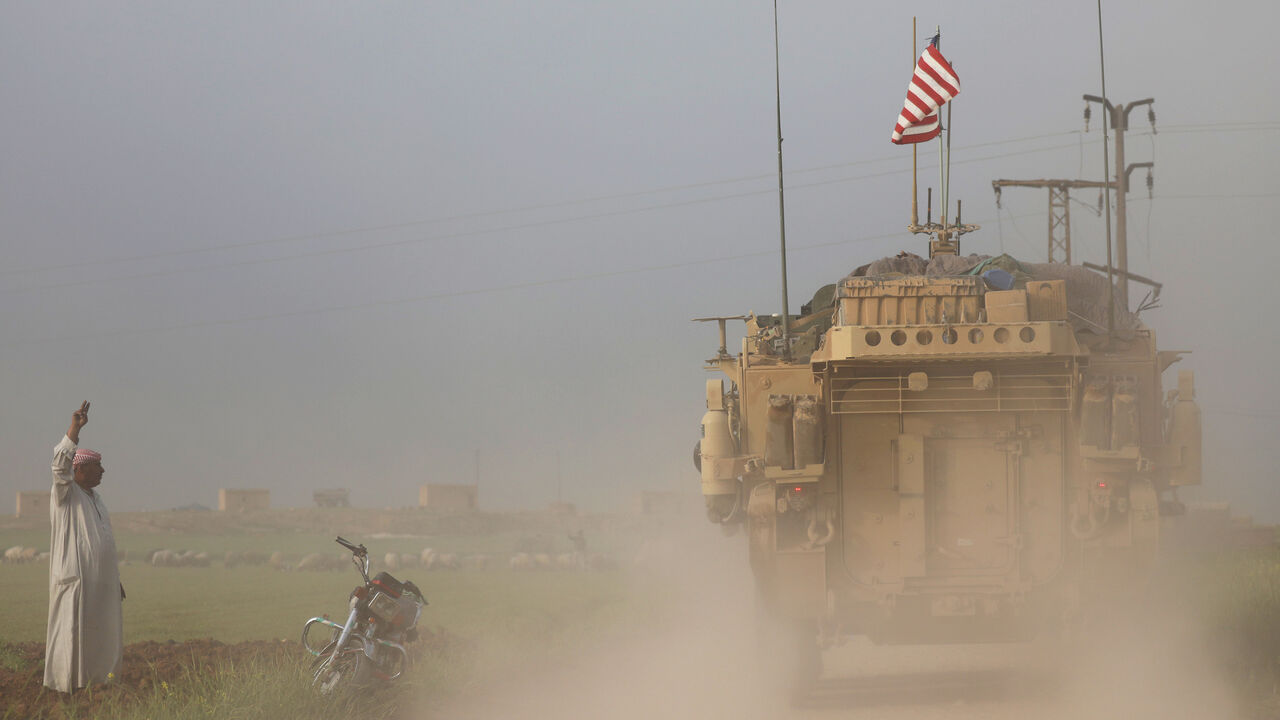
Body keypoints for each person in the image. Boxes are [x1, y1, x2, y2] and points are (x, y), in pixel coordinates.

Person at [44, 401, 124, 693]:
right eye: (96, 466)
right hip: (75, 580)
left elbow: (102, 543)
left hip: (99, 583)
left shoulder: (96, 499)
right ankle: (67, 690)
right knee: (72, 634)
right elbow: (58, 465)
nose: (102, 470)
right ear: (78, 469)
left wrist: (114, 580)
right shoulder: (66, 493)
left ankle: (98, 684)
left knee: (100, 634)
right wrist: (74, 429)